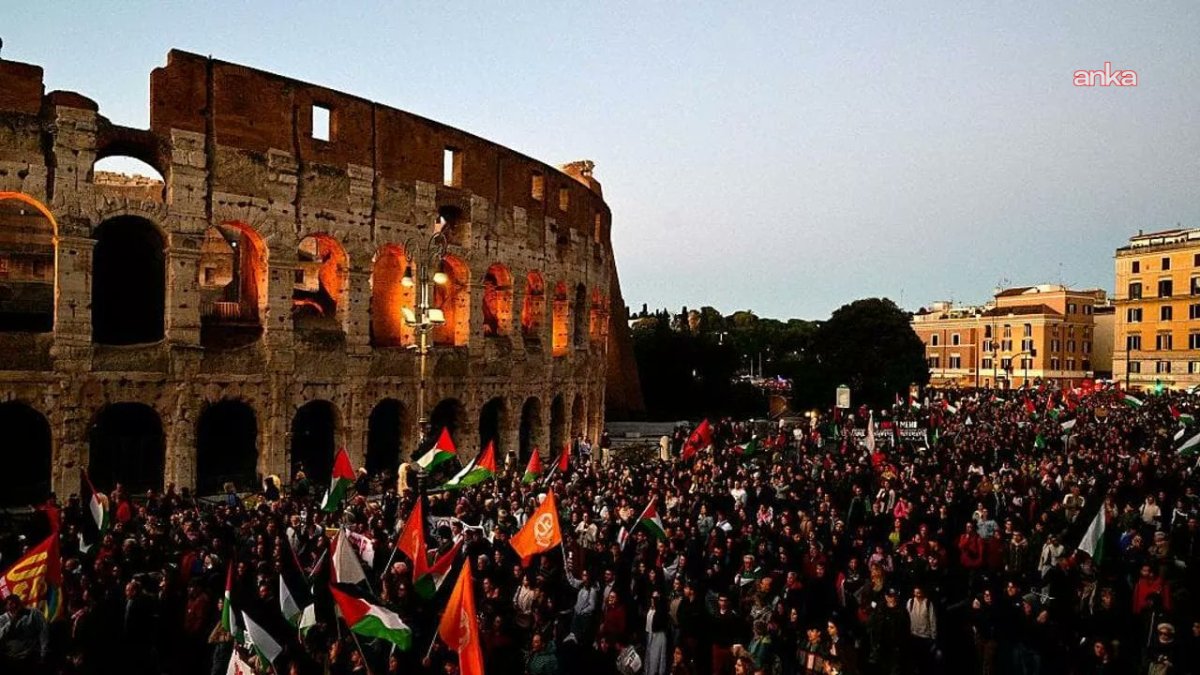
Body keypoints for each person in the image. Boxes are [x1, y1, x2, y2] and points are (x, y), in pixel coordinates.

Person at [0, 594, 48, 675]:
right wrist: (12, 621)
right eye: (11, 603)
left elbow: (44, 633)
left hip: (31, 658)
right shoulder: (2, 619)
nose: (14, 605)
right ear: (6, 607)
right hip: (10, 659)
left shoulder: (34, 613)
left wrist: (43, 653)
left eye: (16, 602)